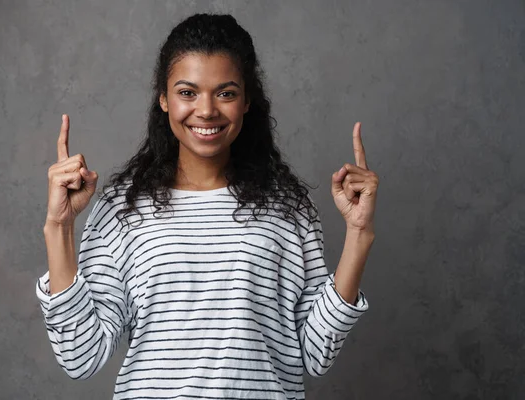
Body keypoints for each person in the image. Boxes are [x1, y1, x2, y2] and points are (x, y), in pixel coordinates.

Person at [36, 12, 379, 400]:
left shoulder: (288, 208)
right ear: (163, 99)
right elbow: (82, 357)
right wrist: (59, 227)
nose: (206, 110)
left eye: (226, 93)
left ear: (247, 101)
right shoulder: (122, 208)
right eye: (187, 92)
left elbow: (315, 355)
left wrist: (358, 234)